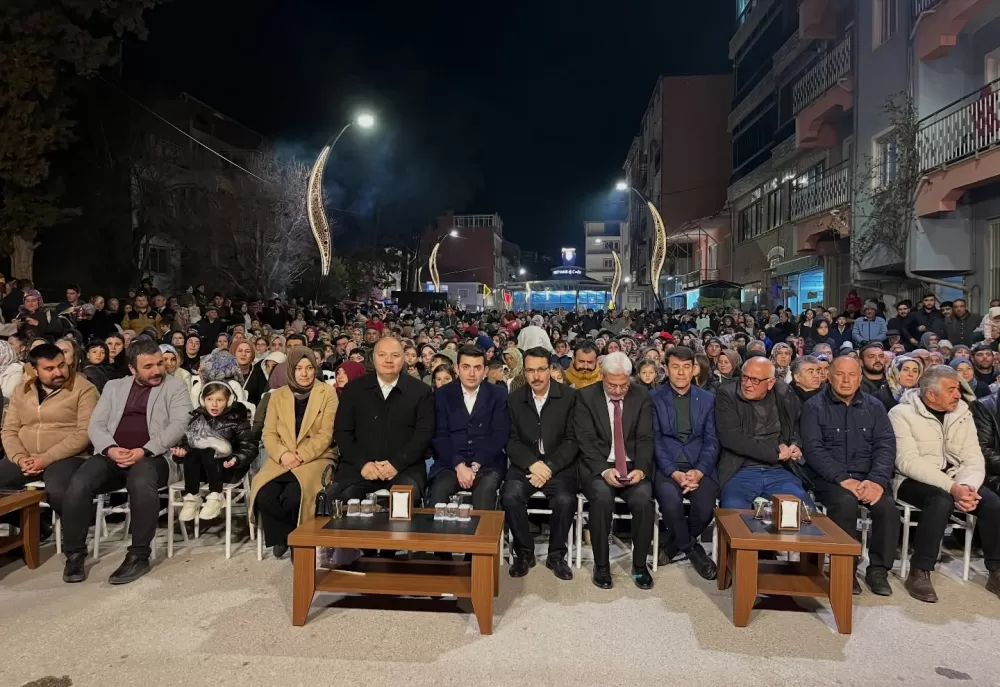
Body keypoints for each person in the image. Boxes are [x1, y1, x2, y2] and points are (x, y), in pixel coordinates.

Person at [62, 340, 192, 585]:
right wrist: (110, 449)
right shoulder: (114, 387)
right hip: (114, 455)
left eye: (159, 364)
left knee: (141, 480)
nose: (157, 370)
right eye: (148, 366)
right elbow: (96, 426)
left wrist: (144, 450)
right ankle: (75, 554)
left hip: (156, 457)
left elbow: (180, 425)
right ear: (132, 369)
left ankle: (139, 555)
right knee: (79, 481)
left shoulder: (176, 386)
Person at [890, 365, 1000, 602]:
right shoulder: (901, 414)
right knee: (940, 501)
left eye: (958, 388)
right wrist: (952, 488)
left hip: (959, 479)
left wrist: (968, 487)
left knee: (992, 503)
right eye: (952, 389)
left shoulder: (962, 412)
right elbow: (908, 461)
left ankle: (996, 571)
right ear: (931, 395)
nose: (958, 394)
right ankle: (920, 570)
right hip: (913, 480)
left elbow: (973, 457)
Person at [800, 357, 898, 596]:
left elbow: (885, 446)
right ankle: (845, 568)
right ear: (829, 377)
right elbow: (813, 449)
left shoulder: (874, 407)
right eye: (840, 374)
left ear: (860, 378)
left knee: (887, 508)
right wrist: (843, 478)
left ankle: (878, 570)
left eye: (852, 375)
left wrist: (876, 480)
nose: (846, 380)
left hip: (868, 477)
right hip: (830, 478)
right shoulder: (814, 407)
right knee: (845, 504)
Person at [573, 351, 655, 590]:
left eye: (623, 386)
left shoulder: (641, 395)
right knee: (601, 498)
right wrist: (603, 470)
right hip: (598, 465)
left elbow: (646, 438)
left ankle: (639, 566)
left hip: (631, 465)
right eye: (612, 385)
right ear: (602, 376)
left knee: (642, 500)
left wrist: (640, 469)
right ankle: (602, 566)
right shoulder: (586, 397)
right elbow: (585, 440)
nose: (618, 391)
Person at [249, 347, 337, 558]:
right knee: (264, 494)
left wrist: (301, 456)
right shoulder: (278, 395)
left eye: (309, 368)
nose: (304, 373)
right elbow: (268, 433)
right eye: (299, 368)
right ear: (291, 370)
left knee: (294, 495)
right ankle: (283, 536)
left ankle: (296, 541)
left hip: (316, 457)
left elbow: (326, 434)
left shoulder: (327, 393)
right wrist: (283, 455)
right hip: (283, 456)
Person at [502, 346, 579, 580]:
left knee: (566, 499)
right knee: (510, 495)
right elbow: (510, 440)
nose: (536, 376)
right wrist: (532, 464)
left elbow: (573, 440)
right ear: (523, 373)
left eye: (541, 370)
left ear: (551, 369)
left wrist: (549, 467)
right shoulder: (514, 400)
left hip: (558, 465)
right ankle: (524, 553)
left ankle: (556, 555)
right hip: (526, 465)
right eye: (530, 371)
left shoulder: (569, 397)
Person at [329, 337, 435, 503]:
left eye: (395, 355)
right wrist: (363, 464)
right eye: (382, 355)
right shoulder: (354, 389)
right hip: (359, 469)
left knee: (404, 501)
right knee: (345, 499)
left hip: (405, 469)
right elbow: (343, 432)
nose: (388, 360)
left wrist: (396, 464)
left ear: (404, 359)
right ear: (373, 358)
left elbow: (423, 435)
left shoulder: (421, 392)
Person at [0, 344, 98, 521]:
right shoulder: (21, 390)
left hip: (67, 457)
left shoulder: (85, 389)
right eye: (49, 369)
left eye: (61, 365)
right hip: (26, 458)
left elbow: (84, 433)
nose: (59, 373)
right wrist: (21, 458)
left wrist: (44, 459)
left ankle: (76, 535)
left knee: (60, 491)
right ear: (35, 371)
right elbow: (9, 430)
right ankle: (34, 528)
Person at [649, 346, 719, 579]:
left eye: (686, 367)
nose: (681, 373)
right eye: (675, 367)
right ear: (666, 369)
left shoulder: (708, 399)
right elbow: (654, 440)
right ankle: (693, 550)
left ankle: (672, 547)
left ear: (694, 369)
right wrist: (674, 472)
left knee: (706, 507)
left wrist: (698, 472)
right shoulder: (653, 398)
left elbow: (712, 440)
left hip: (699, 464)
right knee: (670, 504)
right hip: (667, 466)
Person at [715, 357, 811, 508]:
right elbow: (732, 438)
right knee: (734, 516)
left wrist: (795, 444)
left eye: (755, 380)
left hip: (779, 471)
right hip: (739, 470)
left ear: (770, 383)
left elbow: (795, 424)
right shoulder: (727, 394)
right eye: (745, 377)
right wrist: (775, 454)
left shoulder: (783, 392)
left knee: (802, 511)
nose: (747, 384)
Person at [427, 345, 510, 510]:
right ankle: (437, 535)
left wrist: (477, 463)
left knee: (485, 491)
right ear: (457, 368)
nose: (472, 373)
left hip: (487, 463)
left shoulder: (498, 394)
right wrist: (459, 465)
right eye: (466, 367)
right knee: (439, 491)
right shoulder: (441, 395)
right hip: (450, 463)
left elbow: (500, 435)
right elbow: (439, 436)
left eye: (477, 368)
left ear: (485, 370)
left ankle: (483, 536)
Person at [171, 381, 256, 521]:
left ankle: (216, 496)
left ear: (229, 401)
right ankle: (192, 497)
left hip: (226, 470)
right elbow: (186, 443)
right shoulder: (197, 420)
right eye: (209, 399)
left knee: (210, 450)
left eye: (220, 400)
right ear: (202, 400)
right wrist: (181, 453)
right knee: (194, 452)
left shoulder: (237, 421)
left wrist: (236, 459)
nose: (214, 404)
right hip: (200, 474)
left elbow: (250, 447)